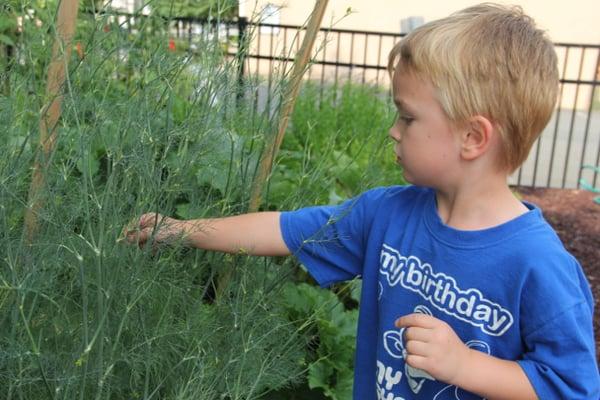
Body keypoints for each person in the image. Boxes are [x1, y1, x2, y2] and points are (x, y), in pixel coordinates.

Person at [125, 3, 599, 399]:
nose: (393, 130)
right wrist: (181, 229)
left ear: (473, 136)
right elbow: (285, 230)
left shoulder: (538, 264)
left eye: (407, 117)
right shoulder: (387, 214)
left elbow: (572, 386)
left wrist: (464, 365)